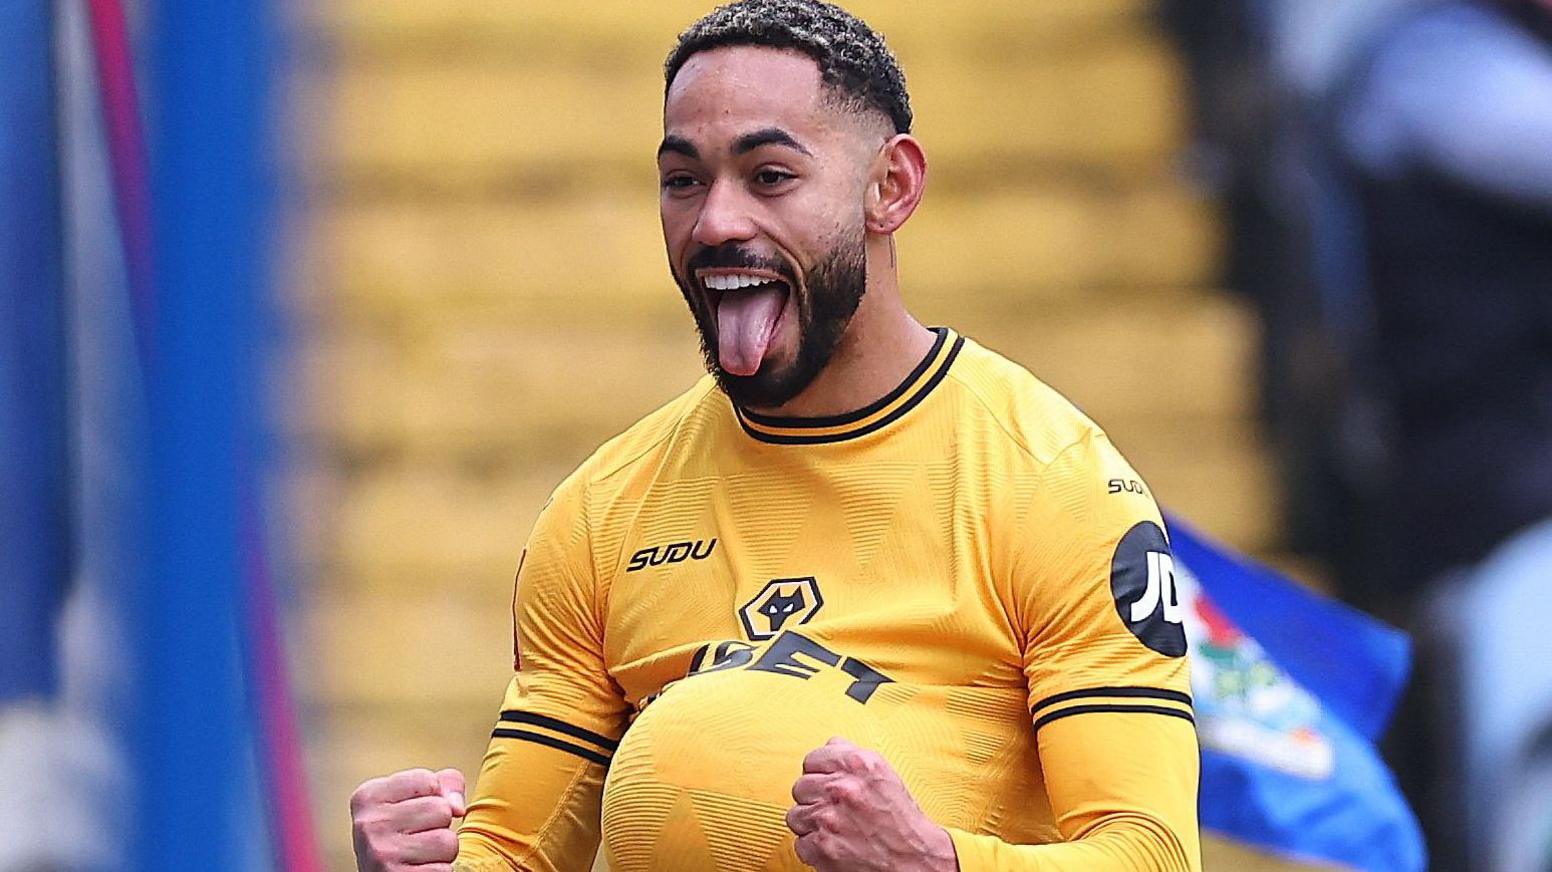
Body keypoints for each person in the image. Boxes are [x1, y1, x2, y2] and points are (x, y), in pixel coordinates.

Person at [349, 2, 1201, 870]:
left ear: (890, 186)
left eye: (769, 176)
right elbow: (515, 853)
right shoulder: (601, 510)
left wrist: (933, 861)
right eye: (684, 181)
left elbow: (1153, 856)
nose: (715, 222)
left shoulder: (1052, 481)